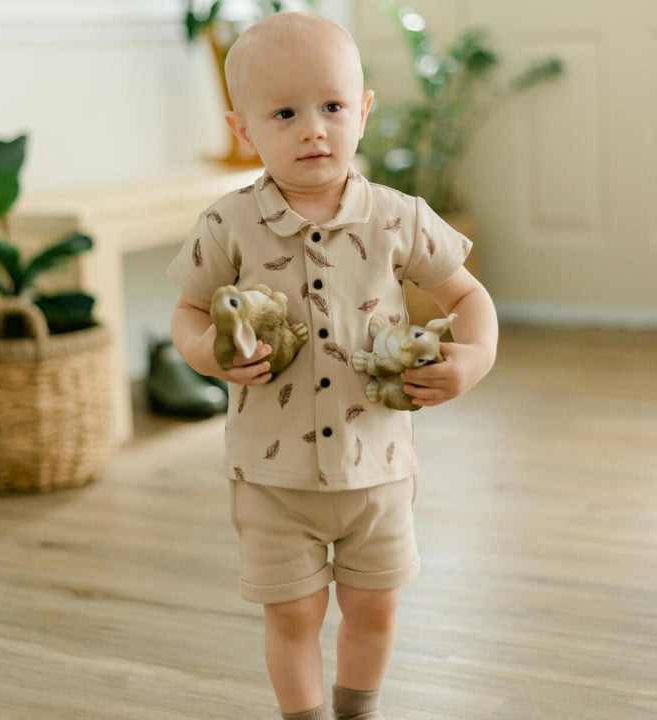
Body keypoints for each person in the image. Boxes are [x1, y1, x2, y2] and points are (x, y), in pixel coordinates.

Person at [168, 11, 498, 720]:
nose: (314, 128)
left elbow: (468, 296)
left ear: (363, 110)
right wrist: (208, 354)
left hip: (377, 465)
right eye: (284, 113)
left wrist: (473, 358)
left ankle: (359, 709)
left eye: (332, 107)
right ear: (244, 130)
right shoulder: (228, 224)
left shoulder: (397, 216)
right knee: (292, 616)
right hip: (271, 475)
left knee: (375, 608)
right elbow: (191, 312)